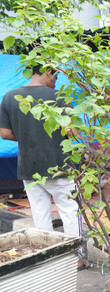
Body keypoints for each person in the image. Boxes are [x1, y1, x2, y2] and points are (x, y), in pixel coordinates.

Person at [0, 65, 80, 236]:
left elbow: (5, 134)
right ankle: (77, 258)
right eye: (56, 78)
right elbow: (73, 133)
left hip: (28, 168)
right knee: (70, 211)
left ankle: (49, 256)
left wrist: (28, 135)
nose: (55, 84)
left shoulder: (9, 97)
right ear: (48, 72)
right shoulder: (59, 96)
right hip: (60, 166)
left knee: (40, 214)